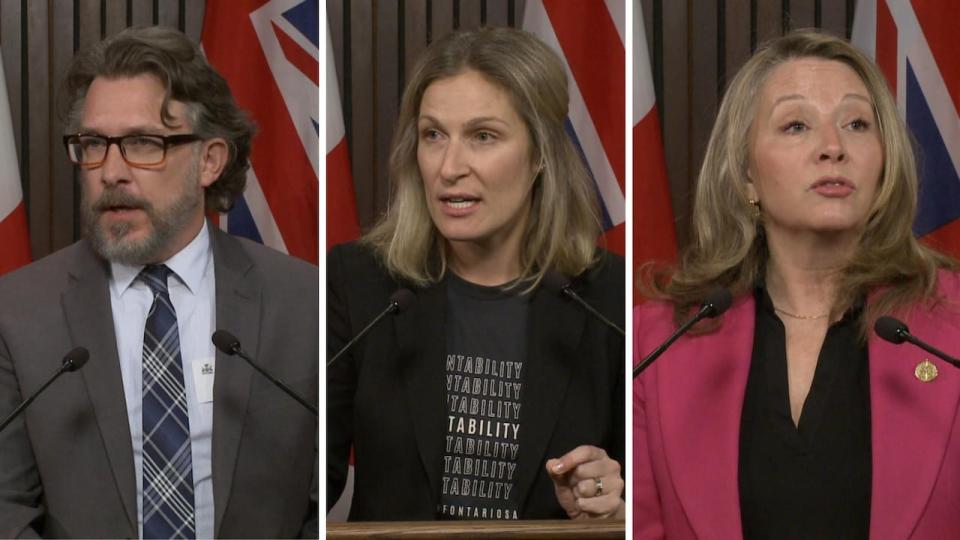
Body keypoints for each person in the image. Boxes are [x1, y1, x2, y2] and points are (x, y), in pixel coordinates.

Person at [634, 29, 960, 539]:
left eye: (856, 123)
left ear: (884, 161)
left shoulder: (951, 326)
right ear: (744, 174)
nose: (833, 148)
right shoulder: (657, 342)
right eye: (795, 126)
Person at [0, 26, 318, 538]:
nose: (112, 172)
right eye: (94, 144)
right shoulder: (17, 314)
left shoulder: (303, 303)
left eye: (143, 143)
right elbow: (5, 509)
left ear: (209, 161)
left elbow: (316, 502)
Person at [327, 27, 625, 521]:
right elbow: (307, 481)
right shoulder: (361, 283)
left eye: (483, 136)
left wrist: (613, 500)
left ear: (539, 156)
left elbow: (639, 490)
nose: (449, 167)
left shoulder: (605, 296)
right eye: (433, 135)